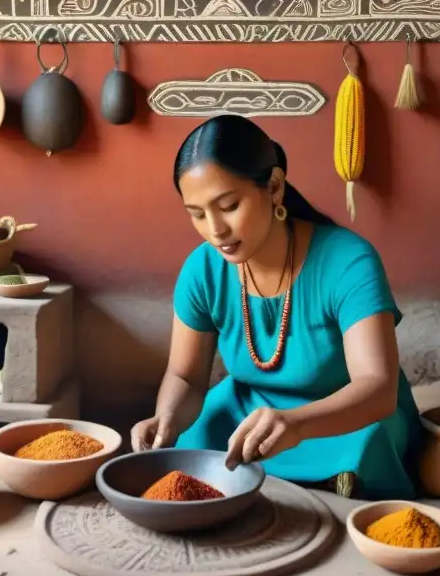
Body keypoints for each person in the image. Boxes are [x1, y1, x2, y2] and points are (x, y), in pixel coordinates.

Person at [130, 114, 423, 499]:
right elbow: (185, 377)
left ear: (273, 186)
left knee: (364, 447)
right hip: (249, 412)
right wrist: (166, 418)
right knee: (195, 436)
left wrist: (297, 424)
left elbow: (377, 388)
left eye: (229, 205)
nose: (215, 230)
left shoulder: (348, 261)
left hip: (345, 417)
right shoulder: (202, 269)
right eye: (197, 214)